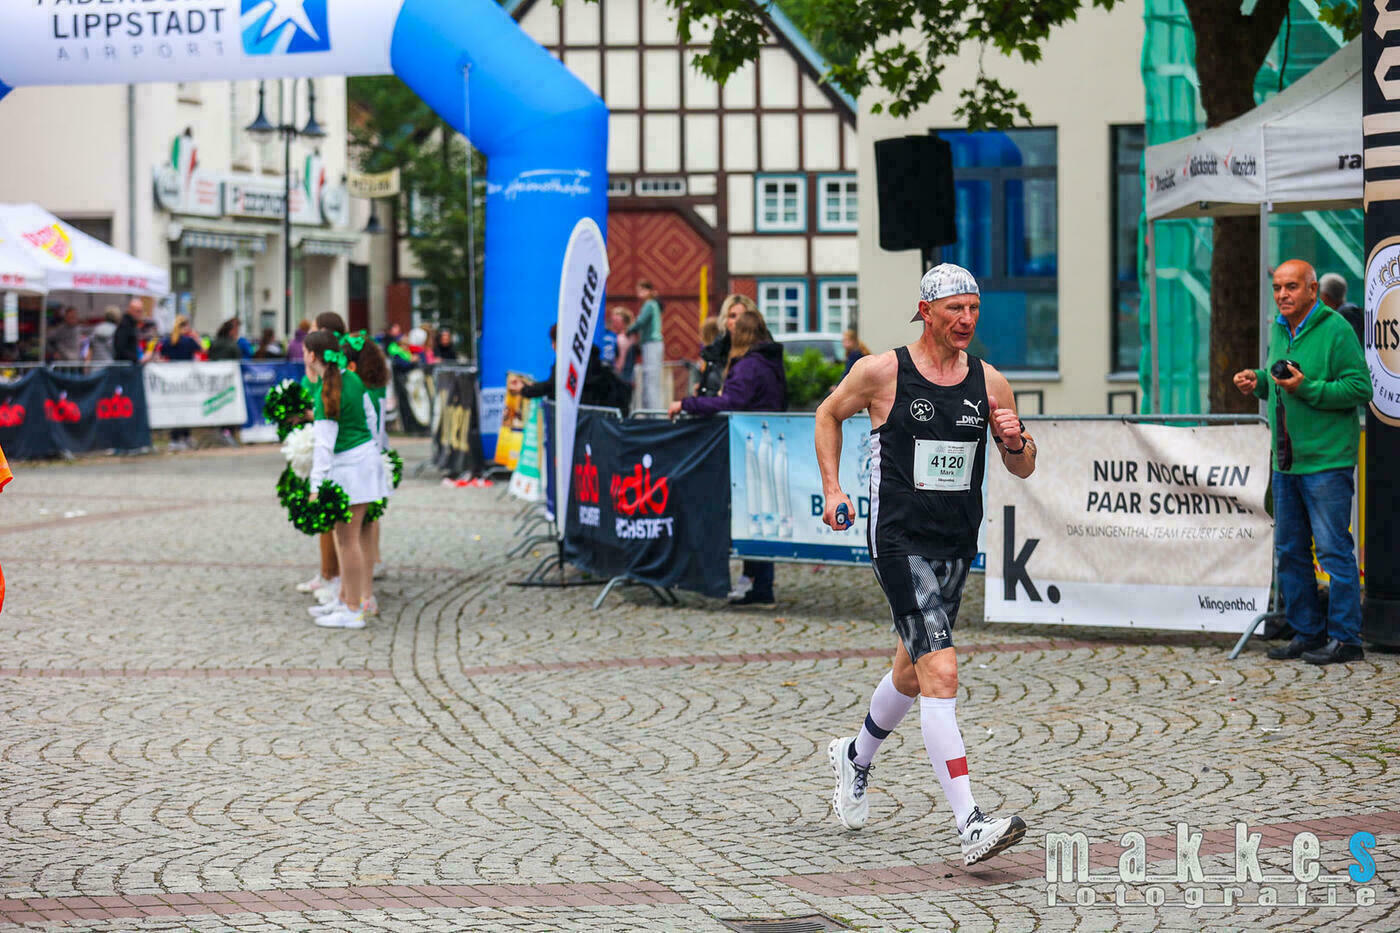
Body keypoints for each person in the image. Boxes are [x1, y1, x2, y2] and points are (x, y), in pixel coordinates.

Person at [814, 262, 1035, 867]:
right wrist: (833, 489)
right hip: (898, 539)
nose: (966, 319)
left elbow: (1022, 466)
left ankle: (854, 757)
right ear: (926, 312)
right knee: (941, 670)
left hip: (955, 542)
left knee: (911, 673)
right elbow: (828, 414)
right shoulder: (882, 372)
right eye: (955, 309)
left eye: (974, 309)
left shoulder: (990, 382)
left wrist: (1014, 440)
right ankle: (970, 823)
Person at [1233, 259, 1371, 665]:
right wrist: (1258, 381)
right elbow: (1279, 381)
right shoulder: (1280, 328)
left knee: (1332, 551)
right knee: (1290, 550)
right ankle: (1307, 632)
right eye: (1278, 287)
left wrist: (1306, 387)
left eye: (1291, 286)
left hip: (1326, 461)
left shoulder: (1336, 329)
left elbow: (1359, 388)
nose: (1282, 295)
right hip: (1286, 462)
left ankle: (1346, 639)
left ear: (1313, 289)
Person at [668, 308, 787, 607]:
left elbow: (732, 401)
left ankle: (758, 584)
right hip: (764, 442)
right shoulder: (770, 360)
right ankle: (758, 582)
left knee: (752, 515)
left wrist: (688, 404)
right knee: (759, 515)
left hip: (749, 447)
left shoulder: (749, 365)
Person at [303, 329, 389, 630]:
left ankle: (352, 609)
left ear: (313, 356)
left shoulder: (325, 392)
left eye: (305, 351)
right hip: (364, 461)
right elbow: (371, 419)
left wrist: (315, 487)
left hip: (350, 468)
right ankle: (345, 600)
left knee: (347, 540)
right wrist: (372, 451)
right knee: (354, 538)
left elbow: (324, 446)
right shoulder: (351, 378)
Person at [296, 312, 349, 599]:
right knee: (346, 534)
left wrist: (317, 486)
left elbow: (326, 439)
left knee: (345, 536)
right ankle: (343, 588)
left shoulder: (335, 381)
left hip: (342, 462)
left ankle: (343, 592)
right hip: (350, 460)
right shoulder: (339, 378)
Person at [341, 331, 393, 603]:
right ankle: (363, 592)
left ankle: (361, 593)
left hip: (364, 459)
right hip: (378, 456)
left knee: (355, 533)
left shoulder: (360, 390)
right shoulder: (376, 385)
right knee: (368, 526)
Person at [511, 324, 630, 412]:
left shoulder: (568, 359)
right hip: (594, 417)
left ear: (557, 342)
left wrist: (524, 390)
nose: (552, 346)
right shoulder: (588, 357)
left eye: (553, 342)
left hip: (581, 419)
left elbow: (553, 385)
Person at [697, 295, 755, 398]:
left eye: (743, 316)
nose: (737, 321)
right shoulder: (716, 352)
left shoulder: (761, 352)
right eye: (732, 316)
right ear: (725, 320)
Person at [628, 280, 665, 410]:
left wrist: (628, 330)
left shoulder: (649, 305)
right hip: (650, 344)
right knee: (651, 379)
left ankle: (653, 411)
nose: (639, 293)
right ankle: (651, 409)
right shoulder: (652, 305)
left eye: (642, 290)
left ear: (649, 291)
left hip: (651, 343)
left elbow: (640, 322)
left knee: (651, 379)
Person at [1318, 273, 1363, 350]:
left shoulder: (1346, 314)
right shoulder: (1350, 312)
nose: (1319, 298)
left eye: (1320, 294)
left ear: (1325, 296)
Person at [113, 299, 150, 365]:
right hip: (125, 366)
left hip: (128, 365)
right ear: (130, 310)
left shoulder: (131, 324)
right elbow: (120, 348)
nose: (140, 314)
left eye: (141, 311)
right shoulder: (125, 325)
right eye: (138, 311)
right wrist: (137, 359)